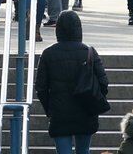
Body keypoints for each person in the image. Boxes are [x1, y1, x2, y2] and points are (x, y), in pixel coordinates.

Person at [36, 11, 108, 154]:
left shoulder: (48, 54)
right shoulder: (89, 52)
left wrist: (50, 109)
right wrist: (94, 102)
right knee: (84, 150)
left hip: (60, 113)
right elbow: (103, 83)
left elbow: (41, 88)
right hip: (86, 111)